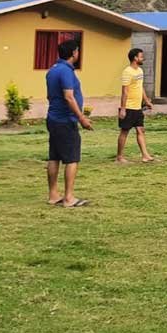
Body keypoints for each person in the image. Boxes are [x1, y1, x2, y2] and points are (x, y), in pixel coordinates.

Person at [46, 39, 93, 207]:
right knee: (71, 159)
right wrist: (81, 118)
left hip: (53, 119)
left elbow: (50, 96)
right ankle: (68, 197)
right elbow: (69, 96)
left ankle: (53, 194)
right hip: (66, 121)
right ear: (73, 53)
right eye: (78, 51)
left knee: (54, 157)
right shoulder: (65, 71)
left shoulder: (52, 70)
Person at [116, 47, 155, 164]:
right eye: (141, 56)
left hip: (138, 107)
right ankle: (119, 156)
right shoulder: (127, 72)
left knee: (140, 130)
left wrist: (147, 101)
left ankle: (145, 155)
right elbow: (125, 91)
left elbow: (140, 87)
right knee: (124, 131)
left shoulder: (140, 71)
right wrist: (123, 109)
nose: (143, 58)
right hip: (128, 107)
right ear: (135, 58)